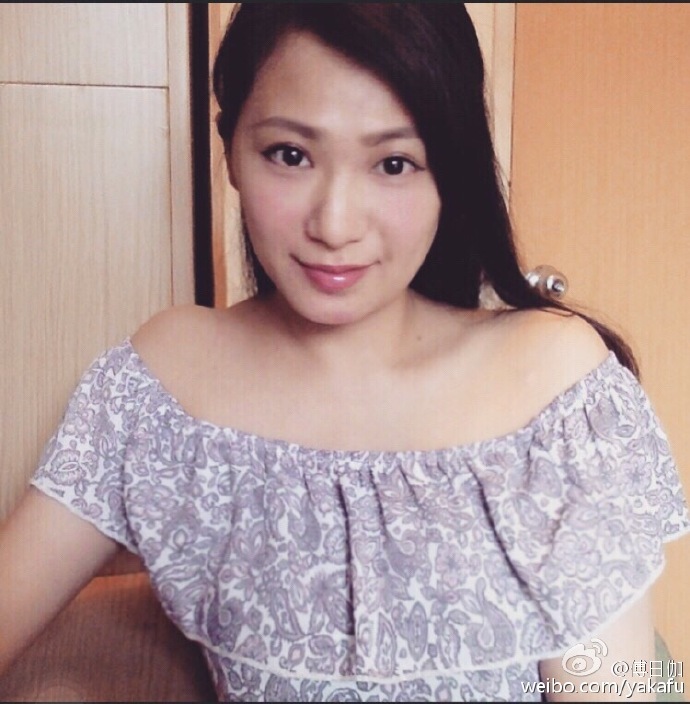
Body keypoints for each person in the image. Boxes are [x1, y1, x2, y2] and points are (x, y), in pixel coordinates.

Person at [1, 4, 688, 701]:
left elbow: (618, 686)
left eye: (393, 163)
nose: (334, 224)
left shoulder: (555, 389)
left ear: (450, 172)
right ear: (231, 149)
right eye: (290, 155)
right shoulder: (164, 387)